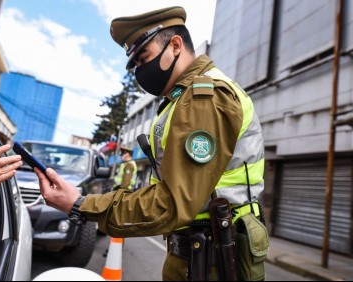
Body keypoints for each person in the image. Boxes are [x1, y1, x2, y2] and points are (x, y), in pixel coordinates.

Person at [34, 6, 266, 281]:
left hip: (212, 262)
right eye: (135, 64)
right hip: (198, 255)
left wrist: (81, 204)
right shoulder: (182, 99)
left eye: (144, 58)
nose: (140, 71)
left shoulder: (204, 97)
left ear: (175, 45)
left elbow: (171, 203)